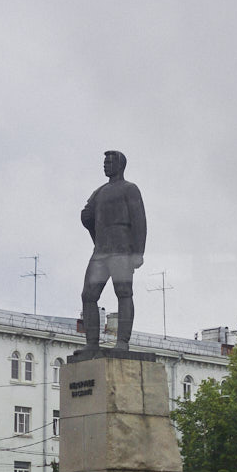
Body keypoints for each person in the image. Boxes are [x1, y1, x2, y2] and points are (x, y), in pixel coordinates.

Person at [81, 150, 146, 352]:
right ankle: (92, 343)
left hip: (122, 250)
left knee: (124, 293)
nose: (105, 165)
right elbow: (86, 216)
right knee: (88, 295)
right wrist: (93, 228)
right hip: (100, 252)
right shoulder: (99, 191)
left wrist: (138, 252)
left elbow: (139, 221)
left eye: (109, 162)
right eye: (105, 162)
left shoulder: (130, 189)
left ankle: (122, 342)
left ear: (120, 165)